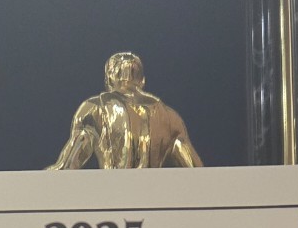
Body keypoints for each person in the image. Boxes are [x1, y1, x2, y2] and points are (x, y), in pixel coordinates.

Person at [49, 53, 203, 170]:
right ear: (142, 81)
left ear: (108, 80)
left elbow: (68, 164)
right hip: (153, 196)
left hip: (112, 194)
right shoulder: (170, 117)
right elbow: (196, 171)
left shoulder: (94, 108)